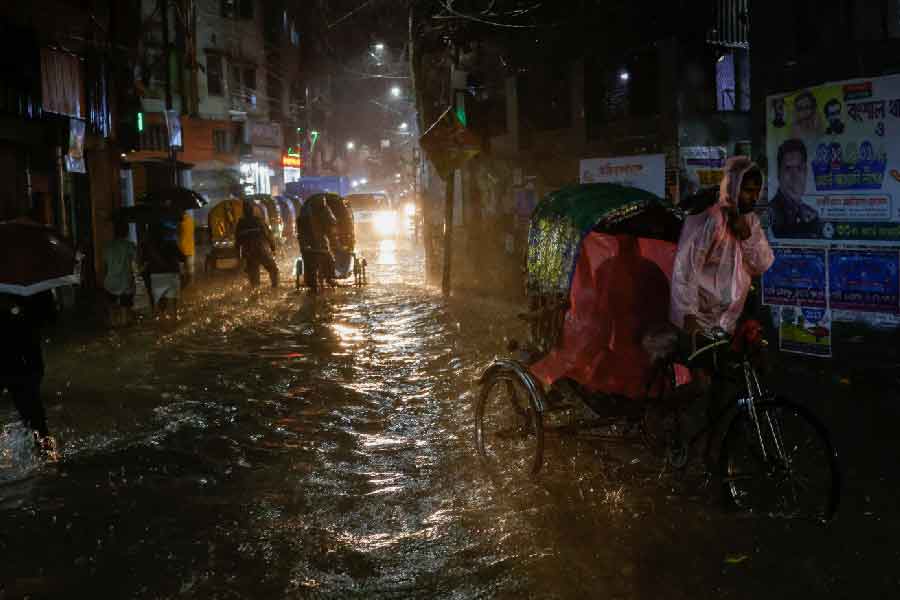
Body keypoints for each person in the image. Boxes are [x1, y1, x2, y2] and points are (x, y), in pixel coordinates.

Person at [671, 156, 775, 338]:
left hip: (729, 325)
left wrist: (746, 235)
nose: (754, 198)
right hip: (699, 324)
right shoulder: (710, 219)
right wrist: (688, 315)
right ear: (733, 187)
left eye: (757, 191)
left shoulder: (751, 222)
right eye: (748, 191)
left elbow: (762, 264)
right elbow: (686, 268)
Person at [0, 290, 57, 456]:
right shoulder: (26, 287)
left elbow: (48, 316)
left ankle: (49, 455)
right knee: (36, 418)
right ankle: (49, 455)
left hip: (21, 364)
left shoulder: (25, 291)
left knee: (36, 418)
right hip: (23, 364)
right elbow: (49, 317)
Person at [769, 138, 821, 238]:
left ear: (805, 172)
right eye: (788, 169)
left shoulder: (812, 215)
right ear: (778, 173)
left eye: (799, 168)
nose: (794, 177)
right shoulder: (771, 214)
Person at [143, 220, 185, 318]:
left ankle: (161, 325)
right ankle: (173, 322)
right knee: (172, 303)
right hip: (172, 274)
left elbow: (143, 262)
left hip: (156, 275)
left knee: (160, 302)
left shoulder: (147, 246)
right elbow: (182, 258)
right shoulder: (171, 243)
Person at [297, 194, 337, 293]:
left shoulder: (303, 215)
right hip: (319, 244)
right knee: (329, 260)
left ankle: (312, 284)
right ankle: (329, 278)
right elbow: (332, 222)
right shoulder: (323, 212)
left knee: (309, 264)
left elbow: (300, 232)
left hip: (307, 245)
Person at [235, 200, 279, 288]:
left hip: (250, 253)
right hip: (262, 251)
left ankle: (255, 295)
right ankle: (275, 288)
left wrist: (239, 255)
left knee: (254, 280)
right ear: (253, 210)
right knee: (273, 270)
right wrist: (273, 248)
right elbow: (269, 236)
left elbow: (238, 241)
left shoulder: (241, 223)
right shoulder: (259, 221)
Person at [103, 220, 137, 327]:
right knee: (125, 317)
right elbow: (137, 260)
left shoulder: (108, 246)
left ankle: (113, 324)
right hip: (125, 283)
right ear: (126, 232)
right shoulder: (129, 245)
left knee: (111, 313)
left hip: (110, 282)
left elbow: (104, 266)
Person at [178, 211, 196, 287]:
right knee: (190, 269)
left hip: (181, 249)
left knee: (181, 269)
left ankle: (183, 284)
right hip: (190, 249)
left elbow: (177, 233)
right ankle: (190, 285)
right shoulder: (191, 221)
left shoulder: (179, 223)